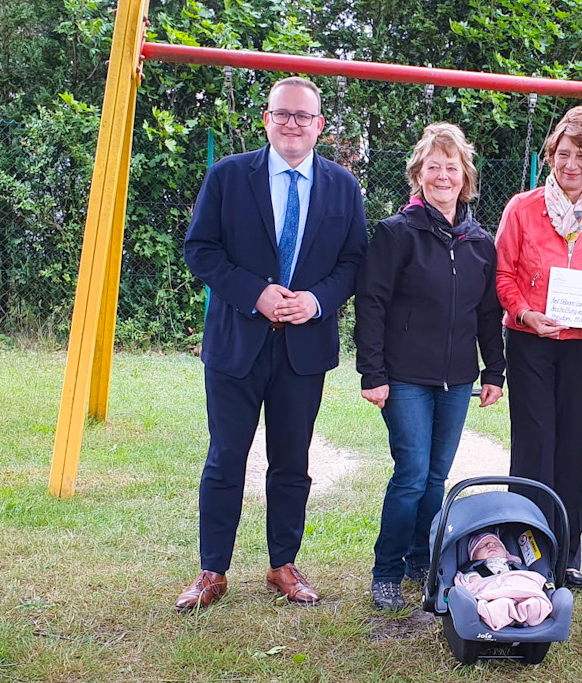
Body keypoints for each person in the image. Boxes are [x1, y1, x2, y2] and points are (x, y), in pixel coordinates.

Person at [178, 76, 367, 612]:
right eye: (282, 114)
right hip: (237, 343)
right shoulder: (229, 177)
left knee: (291, 462)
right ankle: (212, 571)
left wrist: (317, 301)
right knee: (225, 459)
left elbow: (354, 262)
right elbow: (201, 250)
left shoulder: (342, 187)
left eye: (303, 116)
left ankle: (283, 565)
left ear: (319, 126)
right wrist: (255, 293)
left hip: (303, 350)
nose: (292, 124)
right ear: (266, 119)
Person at [354, 122, 505, 611]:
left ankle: (424, 559)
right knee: (412, 473)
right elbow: (371, 303)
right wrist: (372, 373)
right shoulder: (396, 233)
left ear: (465, 176)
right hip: (404, 378)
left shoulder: (480, 241)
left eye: (451, 166)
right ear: (418, 174)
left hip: (458, 378)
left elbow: (487, 313)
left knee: (438, 477)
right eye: (433, 167)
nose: (443, 175)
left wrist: (494, 372)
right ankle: (386, 569)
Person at [495, 104, 582, 591]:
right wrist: (524, 312)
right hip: (530, 341)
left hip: (578, 349)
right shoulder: (522, 207)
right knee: (533, 449)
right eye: (563, 154)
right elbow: (503, 274)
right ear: (551, 153)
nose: (571, 165)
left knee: (573, 452)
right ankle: (524, 550)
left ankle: (567, 556)